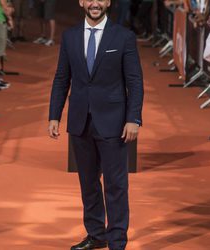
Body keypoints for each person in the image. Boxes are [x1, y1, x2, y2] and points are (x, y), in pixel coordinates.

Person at [48, 0, 144, 249]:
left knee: (116, 185)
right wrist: (54, 115)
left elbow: (134, 81)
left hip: (113, 122)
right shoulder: (69, 37)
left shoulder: (123, 37)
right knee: (88, 183)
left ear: (108, 2)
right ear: (81, 2)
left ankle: (117, 241)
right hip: (80, 121)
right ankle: (96, 234)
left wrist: (133, 118)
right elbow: (61, 78)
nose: (95, 3)